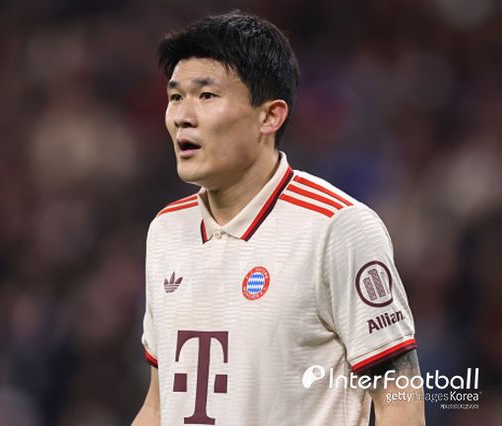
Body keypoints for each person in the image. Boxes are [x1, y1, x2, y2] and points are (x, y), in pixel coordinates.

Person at [133, 11, 424, 426]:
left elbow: (401, 399)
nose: (182, 115)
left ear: (270, 116)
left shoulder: (337, 227)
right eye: (176, 97)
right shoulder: (166, 230)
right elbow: (159, 405)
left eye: (207, 96)